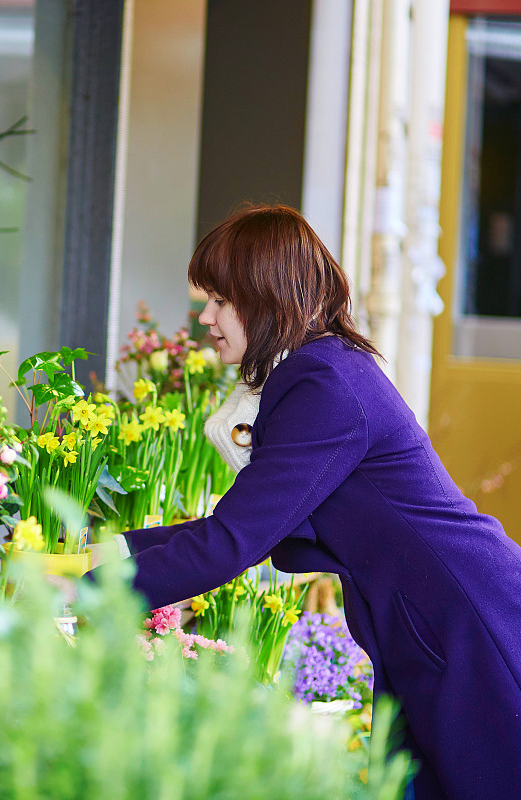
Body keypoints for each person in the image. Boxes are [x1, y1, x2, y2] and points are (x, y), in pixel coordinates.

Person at [85, 204, 521, 800]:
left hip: (472, 629)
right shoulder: (321, 372)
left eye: (219, 300)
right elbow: (240, 527)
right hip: (437, 625)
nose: (205, 318)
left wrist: (84, 590)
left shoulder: (325, 386)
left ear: (267, 297)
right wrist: (104, 551)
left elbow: (232, 543)